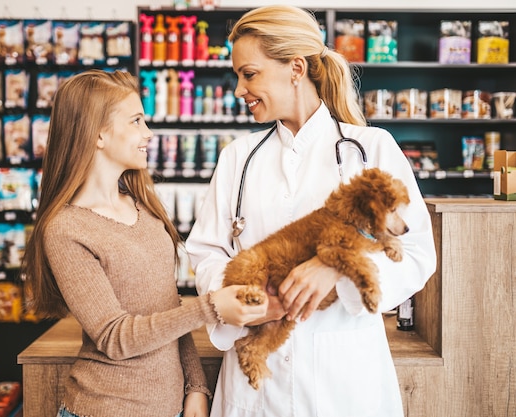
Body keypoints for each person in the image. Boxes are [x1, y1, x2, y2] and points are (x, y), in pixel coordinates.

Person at [185, 5, 437, 417]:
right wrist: (239, 299)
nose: (238, 90)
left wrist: (335, 269)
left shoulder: (370, 149)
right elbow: (207, 254)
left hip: (344, 384)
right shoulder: (238, 158)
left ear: (296, 68)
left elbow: (416, 256)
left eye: (249, 74)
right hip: (256, 394)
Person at [21, 69, 267, 417]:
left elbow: (168, 308)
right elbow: (114, 337)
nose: (148, 134)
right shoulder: (66, 229)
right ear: (98, 134)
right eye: (136, 121)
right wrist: (210, 307)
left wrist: (195, 385)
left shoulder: (144, 209)